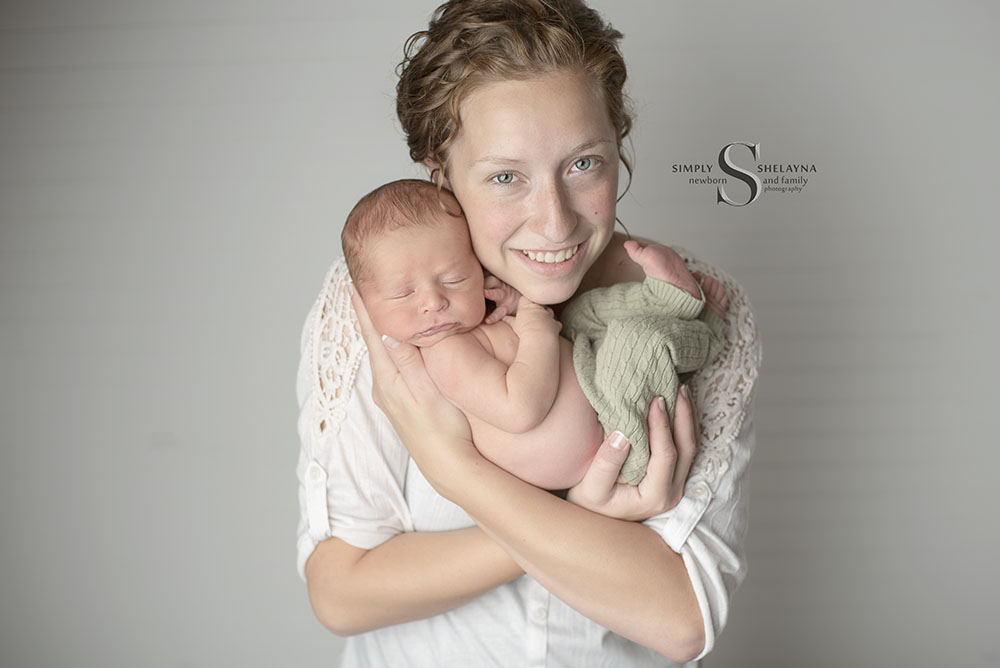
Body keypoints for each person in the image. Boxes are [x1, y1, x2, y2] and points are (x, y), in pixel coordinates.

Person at [295, 1, 762, 665]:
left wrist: (456, 470)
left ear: (618, 143)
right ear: (441, 173)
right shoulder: (383, 309)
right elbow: (342, 594)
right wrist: (587, 517)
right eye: (506, 177)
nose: (554, 222)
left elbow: (683, 618)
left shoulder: (690, 306)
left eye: (583, 165)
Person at [341, 178, 729, 489]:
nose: (433, 302)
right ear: (363, 302)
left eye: (454, 278)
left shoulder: (473, 324)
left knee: (585, 311)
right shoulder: (445, 355)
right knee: (633, 344)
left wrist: (511, 305)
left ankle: (671, 299)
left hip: (592, 373)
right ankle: (708, 331)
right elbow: (521, 407)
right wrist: (533, 317)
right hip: (616, 439)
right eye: (403, 294)